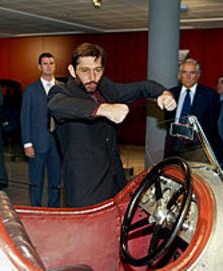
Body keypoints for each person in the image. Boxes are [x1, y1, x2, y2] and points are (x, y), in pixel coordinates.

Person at [47, 43, 176, 207]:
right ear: (73, 71)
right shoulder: (62, 92)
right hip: (85, 184)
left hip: (114, 177)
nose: (93, 77)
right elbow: (57, 105)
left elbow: (142, 87)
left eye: (98, 70)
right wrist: (103, 109)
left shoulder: (106, 87)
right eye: (85, 70)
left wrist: (163, 93)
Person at [20, 52, 61, 207]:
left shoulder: (62, 89)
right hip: (37, 142)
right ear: (39, 67)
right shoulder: (31, 90)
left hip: (57, 143)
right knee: (36, 179)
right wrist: (27, 143)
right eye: (45, 63)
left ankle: (54, 209)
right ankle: (36, 207)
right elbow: (25, 118)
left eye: (51, 63)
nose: (49, 66)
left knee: (56, 179)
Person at [164, 58, 220, 158]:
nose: (188, 76)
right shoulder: (171, 93)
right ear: (180, 75)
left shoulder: (210, 95)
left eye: (192, 73)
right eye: (184, 72)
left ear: (198, 75)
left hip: (197, 148)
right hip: (174, 146)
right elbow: (167, 121)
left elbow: (213, 127)